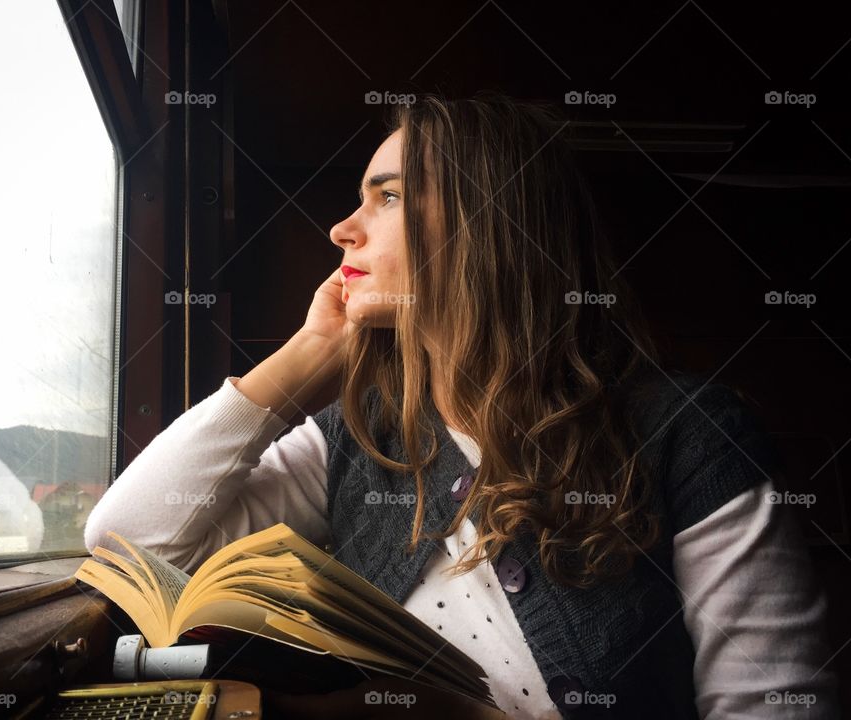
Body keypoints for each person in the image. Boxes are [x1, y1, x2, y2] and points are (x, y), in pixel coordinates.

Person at [84, 93, 839, 718]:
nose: (343, 229)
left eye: (387, 197)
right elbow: (129, 538)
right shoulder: (358, 439)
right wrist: (313, 350)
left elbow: (775, 704)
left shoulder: (691, 436)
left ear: (492, 222)